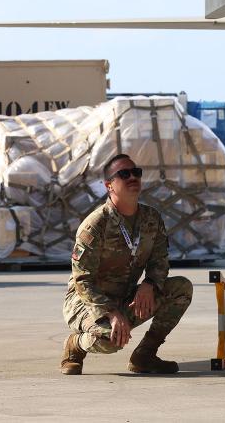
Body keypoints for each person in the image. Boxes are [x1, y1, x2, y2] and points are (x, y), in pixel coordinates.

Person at [60, 154, 193, 375]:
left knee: (181, 288)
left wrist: (149, 284)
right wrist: (111, 313)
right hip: (86, 303)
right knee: (111, 341)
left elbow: (160, 261)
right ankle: (75, 344)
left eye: (136, 172)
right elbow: (82, 280)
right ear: (109, 185)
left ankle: (145, 355)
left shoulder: (151, 218)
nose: (132, 177)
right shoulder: (96, 225)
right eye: (124, 174)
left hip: (126, 297)